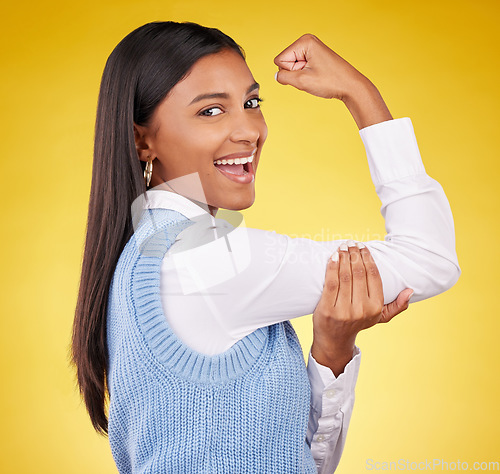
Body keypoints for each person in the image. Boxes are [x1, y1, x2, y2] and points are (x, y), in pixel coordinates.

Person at [71, 21, 460, 473]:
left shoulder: (150, 248)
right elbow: (430, 259)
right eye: (211, 111)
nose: (249, 131)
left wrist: (332, 352)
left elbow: (287, 459)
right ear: (143, 140)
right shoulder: (204, 258)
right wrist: (360, 93)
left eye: (251, 103)